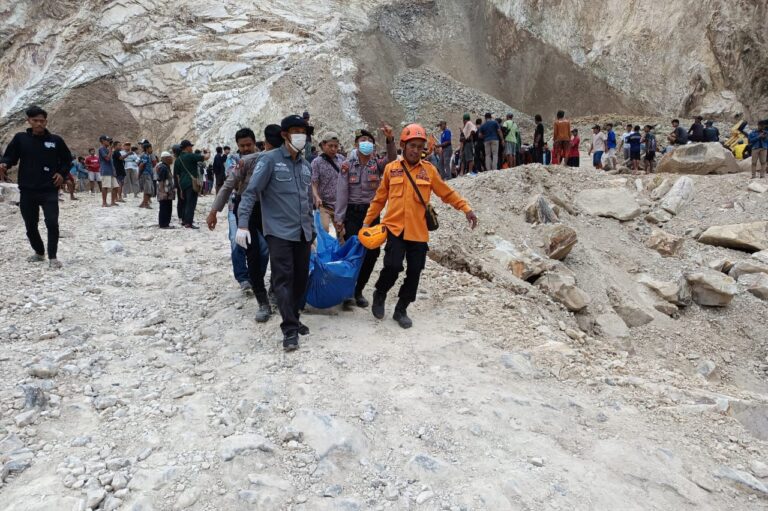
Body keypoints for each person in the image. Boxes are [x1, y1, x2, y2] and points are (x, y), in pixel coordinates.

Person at [362, 124, 478, 328]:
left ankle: (401, 309)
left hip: (418, 231)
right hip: (395, 229)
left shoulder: (429, 171)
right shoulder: (391, 169)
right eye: (412, 145)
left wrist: (466, 208)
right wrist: (366, 222)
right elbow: (379, 199)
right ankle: (380, 293)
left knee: (415, 271)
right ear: (403, 146)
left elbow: (447, 193)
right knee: (392, 265)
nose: (416, 150)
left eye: (419, 146)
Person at [236, 115, 314, 351]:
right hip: (278, 232)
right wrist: (242, 224)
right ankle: (289, 329)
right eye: (296, 130)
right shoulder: (269, 160)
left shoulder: (306, 165)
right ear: (284, 134)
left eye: (304, 131)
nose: (301, 135)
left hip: (302, 232)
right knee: (283, 279)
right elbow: (251, 193)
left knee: (301, 279)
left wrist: (314, 233)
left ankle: (294, 316)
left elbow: (307, 201)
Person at [0, 106, 72, 268]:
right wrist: (4, 164)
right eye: (35, 121)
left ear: (46, 121)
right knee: (30, 225)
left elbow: (67, 160)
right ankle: (39, 252)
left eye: (42, 121)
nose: (39, 124)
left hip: (49, 189)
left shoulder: (56, 140)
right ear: (29, 121)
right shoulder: (20, 139)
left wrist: (62, 173)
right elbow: (10, 157)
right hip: (27, 190)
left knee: (52, 222)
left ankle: (53, 257)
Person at [335, 125, 397, 308]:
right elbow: (342, 192)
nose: (366, 144)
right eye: (362, 141)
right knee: (353, 253)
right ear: (356, 144)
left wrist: (390, 140)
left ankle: (358, 290)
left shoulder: (376, 164)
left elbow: (392, 160)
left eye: (369, 141)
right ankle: (346, 293)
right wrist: (339, 219)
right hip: (352, 214)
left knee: (372, 253)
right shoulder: (347, 165)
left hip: (371, 215)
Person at [231, 125, 284, 319]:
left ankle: (273, 292)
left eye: (248, 145)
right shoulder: (240, 162)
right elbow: (232, 187)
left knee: (277, 252)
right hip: (247, 211)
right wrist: (214, 210)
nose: (245, 149)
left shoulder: (272, 159)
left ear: (256, 143)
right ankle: (262, 301)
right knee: (250, 253)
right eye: (241, 146)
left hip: (271, 210)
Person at [311, 132, 344, 232]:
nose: (333, 149)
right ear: (323, 145)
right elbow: (314, 183)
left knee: (342, 233)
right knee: (323, 229)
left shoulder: (342, 159)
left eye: (335, 146)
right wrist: (316, 197)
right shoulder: (316, 162)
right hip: (323, 205)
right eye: (330, 146)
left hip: (339, 205)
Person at [174, 140, 209, 228]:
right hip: (191, 183)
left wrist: (180, 188)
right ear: (187, 147)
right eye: (191, 146)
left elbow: (177, 175)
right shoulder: (191, 156)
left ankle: (184, 220)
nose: (192, 148)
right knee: (191, 203)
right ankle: (189, 223)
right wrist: (208, 152)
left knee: (185, 202)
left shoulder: (178, 159)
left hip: (183, 184)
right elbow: (206, 157)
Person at [156, 151, 176, 229]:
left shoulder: (165, 166)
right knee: (164, 208)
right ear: (165, 159)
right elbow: (161, 181)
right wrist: (164, 192)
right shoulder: (163, 167)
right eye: (170, 158)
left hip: (167, 192)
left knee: (167, 208)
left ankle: (165, 223)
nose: (172, 160)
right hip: (165, 193)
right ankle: (163, 224)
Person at [97, 135, 118, 207]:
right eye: (107, 140)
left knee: (116, 186)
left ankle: (112, 202)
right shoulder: (101, 149)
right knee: (105, 187)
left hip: (110, 170)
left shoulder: (107, 149)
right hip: (105, 170)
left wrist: (114, 170)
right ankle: (104, 203)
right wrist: (110, 150)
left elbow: (110, 161)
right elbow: (107, 159)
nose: (109, 142)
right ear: (102, 141)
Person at [138, 143, 157, 209]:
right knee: (148, 189)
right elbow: (141, 165)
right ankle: (145, 203)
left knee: (149, 189)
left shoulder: (147, 155)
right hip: (146, 174)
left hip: (148, 174)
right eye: (150, 148)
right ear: (147, 149)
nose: (151, 149)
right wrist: (139, 174)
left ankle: (144, 202)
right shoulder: (145, 156)